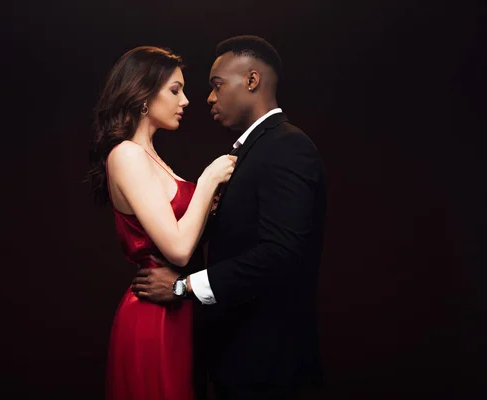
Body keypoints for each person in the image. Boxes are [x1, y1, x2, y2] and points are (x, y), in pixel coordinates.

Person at [132, 35, 327, 400]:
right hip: (238, 361)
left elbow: (280, 256)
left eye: (216, 85)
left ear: (252, 81)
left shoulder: (287, 146)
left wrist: (181, 287)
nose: (207, 98)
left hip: (267, 368)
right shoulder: (255, 152)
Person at [87, 46, 237, 400]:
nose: (185, 100)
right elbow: (179, 250)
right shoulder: (126, 155)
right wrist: (207, 182)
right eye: (175, 90)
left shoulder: (153, 158)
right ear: (142, 94)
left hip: (181, 306)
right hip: (155, 316)